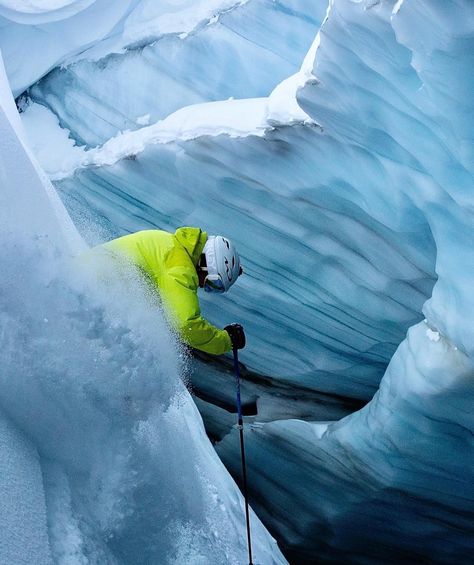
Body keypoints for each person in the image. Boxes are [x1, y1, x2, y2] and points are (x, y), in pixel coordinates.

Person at [96, 226, 246, 355]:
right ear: (208, 263)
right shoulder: (181, 268)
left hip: (98, 276)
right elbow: (186, 324)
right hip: (103, 286)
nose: (203, 287)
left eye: (215, 289)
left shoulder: (170, 242)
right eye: (213, 284)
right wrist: (226, 341)